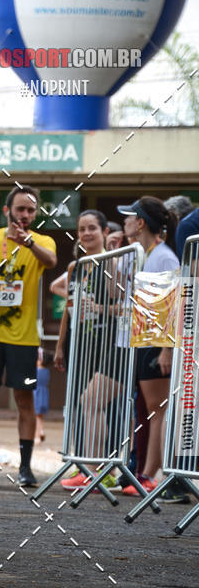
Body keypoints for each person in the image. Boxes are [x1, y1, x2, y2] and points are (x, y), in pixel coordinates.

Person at [0, 185, 57, 487]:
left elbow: (51, 262)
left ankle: (26, 468)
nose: (25, 214)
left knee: (24, 399)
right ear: (7, 211)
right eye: (20, 209)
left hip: (24, 338)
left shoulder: (43, 242)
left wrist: (28, 243)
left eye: (31, 210)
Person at [54, 210, 122, 490]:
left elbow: (121, 302)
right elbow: (69, 309)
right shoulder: (76, 267)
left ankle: (104, 466)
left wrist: (111, 262)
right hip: (79, 343)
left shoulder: (113, 261)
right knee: (79, 404)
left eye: (92, 228)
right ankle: (83, 463)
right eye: (82, 229)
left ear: (104, 232)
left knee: (100, 404)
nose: (86, 234)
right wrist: (60, 345)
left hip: (105, 344)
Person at [118, 197, 180, 496]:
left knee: (158, 410)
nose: (125, 221)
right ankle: (145, 473)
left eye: (129, 217)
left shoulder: (164, 257)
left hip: (156, 343)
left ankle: (150, 475)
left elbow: (173, 306)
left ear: (141, 223)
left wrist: (167, 348)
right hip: (144, 340)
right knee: (151, 410)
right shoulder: (147, 254)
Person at [34, 348, 52, 443]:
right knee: (40, 416)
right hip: (44, 395)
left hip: (36, 396)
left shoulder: (37, 371)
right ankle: (41, 430)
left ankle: (37, 436)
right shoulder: (46, 371)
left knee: (36, 417)